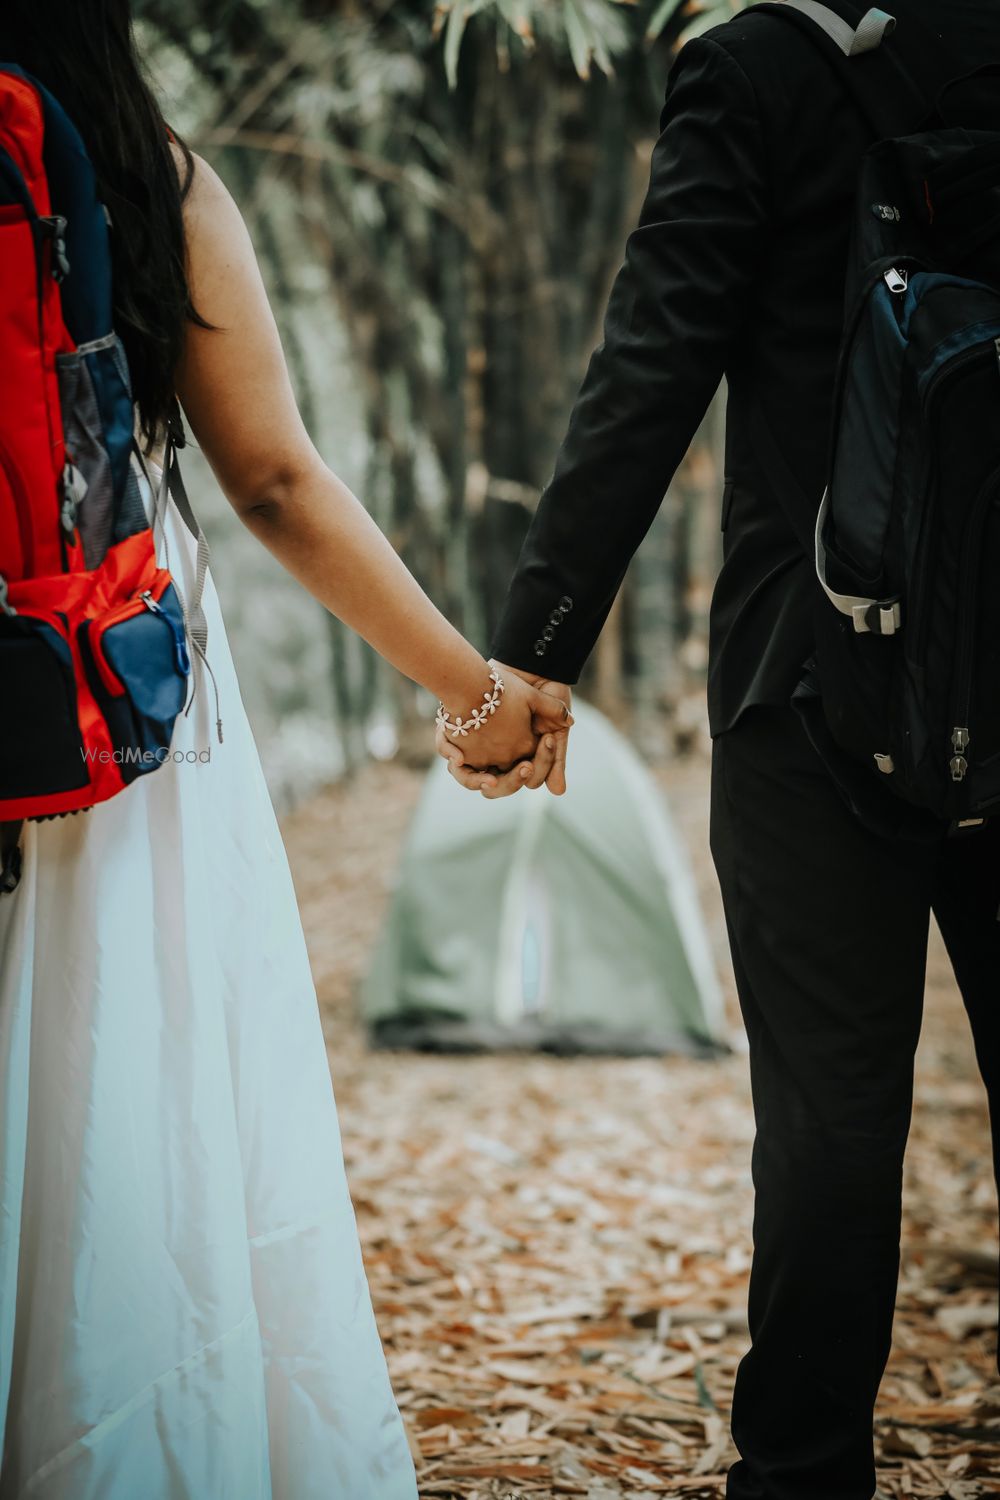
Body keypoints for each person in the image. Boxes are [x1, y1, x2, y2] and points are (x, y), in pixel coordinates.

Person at [0, 4, 572, 1496]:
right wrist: (480, 696)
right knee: (103, 1083)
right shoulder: (144, 176)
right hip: (93, 696)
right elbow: (272, 478)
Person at [440, 2, 1000, 1497]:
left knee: (827, 1130)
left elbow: (656, 362)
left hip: (817, 687)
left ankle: (802, 1475)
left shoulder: (762, 68)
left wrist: (534, 655)